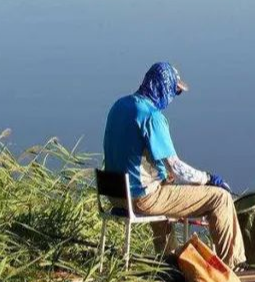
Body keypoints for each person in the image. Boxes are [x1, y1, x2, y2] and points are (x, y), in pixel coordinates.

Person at [103, 62, 247, 269]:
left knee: (165, 183)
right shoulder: (152, 117)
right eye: (174, 91)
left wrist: (164, 177)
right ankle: (233, 266)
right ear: (163, 88)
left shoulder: (119, 106)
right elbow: (176, 168)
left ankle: (168, 260)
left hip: (115, 195)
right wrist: (208, 179)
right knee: (220, 199)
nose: (173, 98)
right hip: (141, 200)